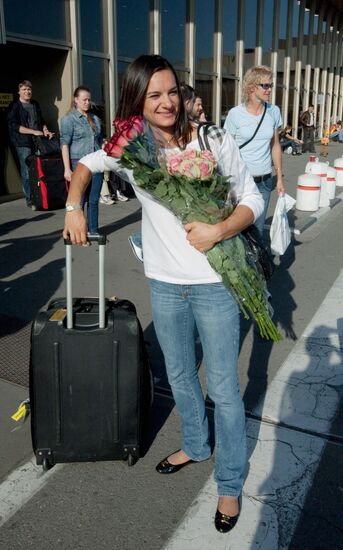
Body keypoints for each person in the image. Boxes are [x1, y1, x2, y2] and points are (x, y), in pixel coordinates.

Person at [63, 54, 263, 534]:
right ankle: (196, 444)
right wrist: (74, 207)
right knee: (177, 373)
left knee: (224, 389)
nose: (167, 102)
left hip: (214, 284)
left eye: (172, 91)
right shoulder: (131, 149)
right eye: (154, 95)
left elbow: (252, 197)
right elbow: (86, 166)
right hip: (165, 284)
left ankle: (230, 483)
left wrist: (219, 229)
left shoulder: (214, 140)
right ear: (138, 100)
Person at [224, 65, 285, 243]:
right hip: (241, 181)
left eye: (271, 85)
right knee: (237, 230)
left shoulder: (273, 111)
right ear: (252, 87)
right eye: (265, 85)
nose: (269, 89)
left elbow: (275, 145)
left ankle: (256, 268)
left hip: (265, 181)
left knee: (257, 230)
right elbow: (227, 149)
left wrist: (279, 177)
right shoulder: (235, 115)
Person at [60, 86, 103, 235]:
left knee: (93, 200)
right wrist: (67, 169)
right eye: (84, 99)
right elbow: (64, 144)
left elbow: (99, 142)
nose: (87, 102)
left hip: (96, 165)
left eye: (89, 100)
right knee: (79, 200)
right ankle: (78, 230)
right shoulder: (68, 119)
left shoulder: (95, 119)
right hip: (78, 164)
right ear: (76, 100)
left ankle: (94, 230)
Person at [7, 80, 54, 207]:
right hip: (22, 143)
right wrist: (34, 132)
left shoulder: (35, 104)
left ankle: (39, 195)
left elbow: (41, 120)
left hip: (37, 141)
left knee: (39, 169)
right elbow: (15, 126)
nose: (27, 92)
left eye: (29, 89)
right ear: (19, 92)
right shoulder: (15, 106)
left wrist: (45, 131)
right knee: (27, 171)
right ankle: (29, 198)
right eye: (24, 90)